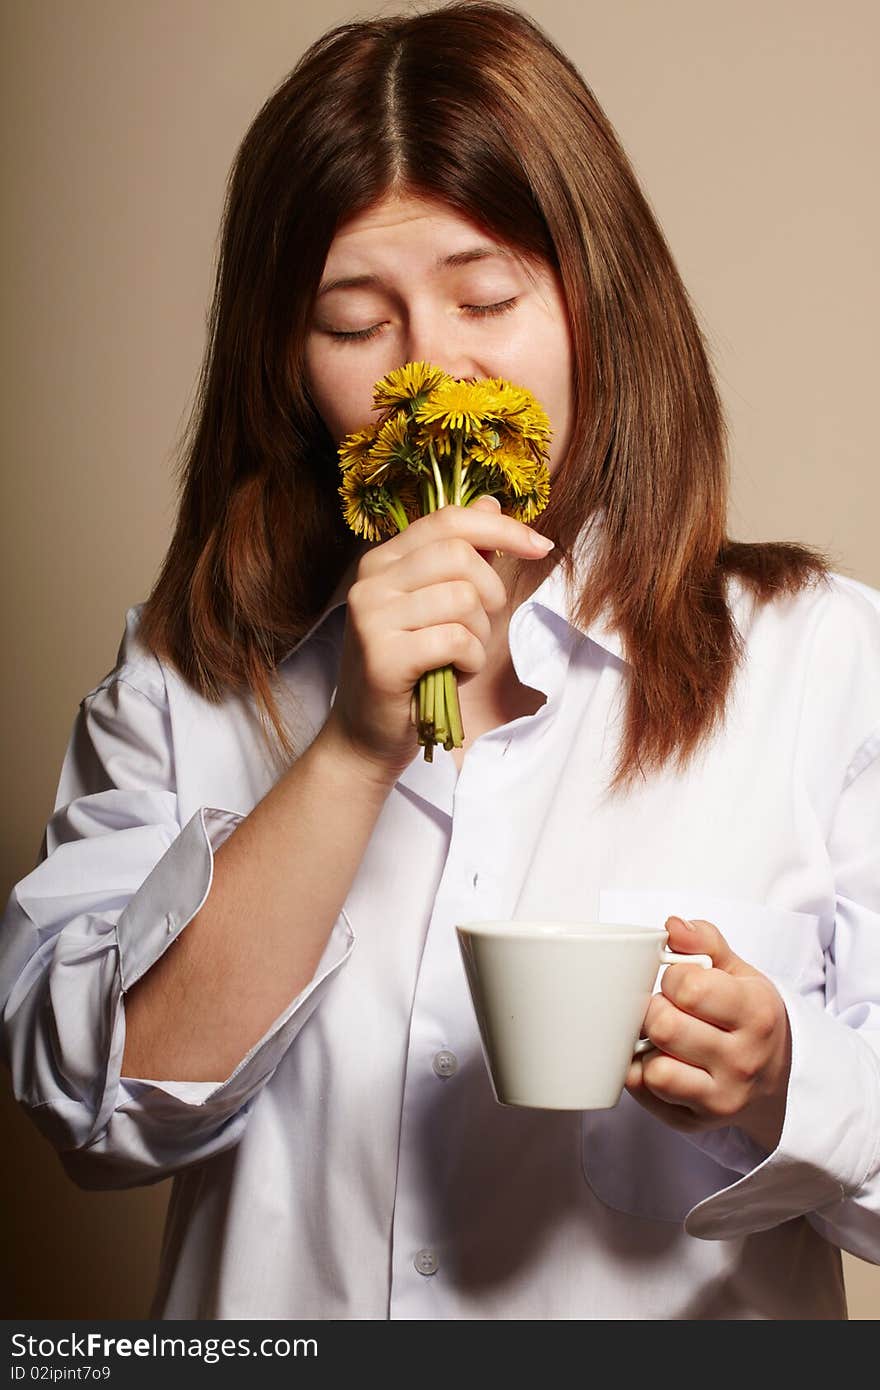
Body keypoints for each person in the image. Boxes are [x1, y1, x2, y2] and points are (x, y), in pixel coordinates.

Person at [1, 0, 878, 1321]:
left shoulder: (820, 662)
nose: (436, 371)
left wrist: (780, 1083)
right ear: (287, 363)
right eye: (357, 324)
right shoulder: (193, 668)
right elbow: (94, 1112)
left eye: (487, 298)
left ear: (599, 307)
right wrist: (355, 741)